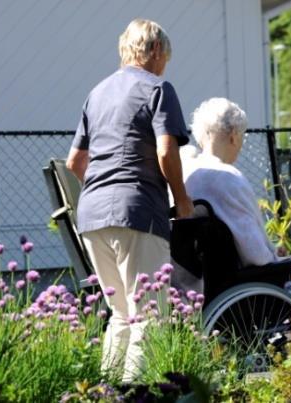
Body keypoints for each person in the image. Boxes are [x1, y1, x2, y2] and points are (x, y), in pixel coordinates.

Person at [66, 18, 193, 383]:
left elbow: (76, 162)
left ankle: (106, 391)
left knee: (121, 314)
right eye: (165, 57)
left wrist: (105, 189)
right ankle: (136, 394)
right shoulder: (159, 88)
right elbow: (167, 151)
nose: (165, 64)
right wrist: (181, 199)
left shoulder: (98, 92)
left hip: (92, 215)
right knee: (149, 317)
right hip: (137, 211)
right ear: (154, 50)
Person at [183, 97, 291, 284]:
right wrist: (272, 254)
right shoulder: (228, 177)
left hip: (202, 279)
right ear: (234, 136)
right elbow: (257, 256)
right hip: (243, 280)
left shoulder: (186, 173)